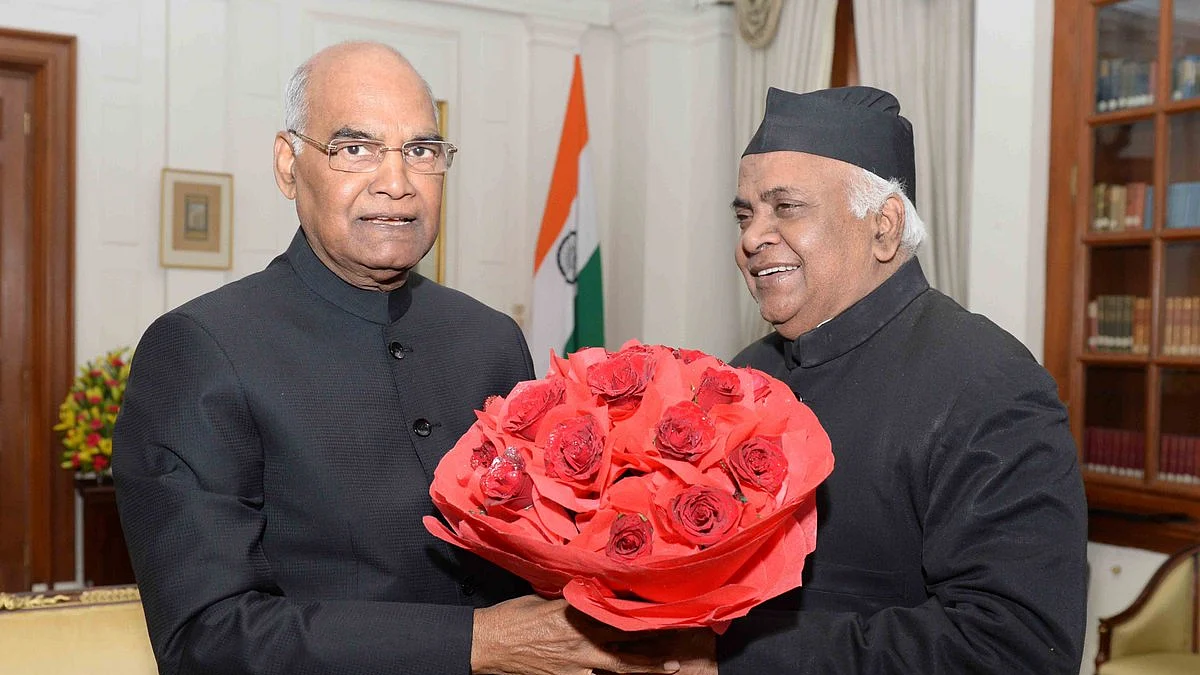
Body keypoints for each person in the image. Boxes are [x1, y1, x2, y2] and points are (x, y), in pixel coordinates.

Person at [112, 41, 680, 675]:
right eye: (355, 148)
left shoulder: (490, 338)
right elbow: (206, 638)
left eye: (421, 151)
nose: (397, 183)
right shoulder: (201, 349)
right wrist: (476, 642)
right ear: (288, 165)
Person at [664, 86, 1088, 674]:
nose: (751, 238)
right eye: (745, 214)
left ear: (884, 227)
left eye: (786, 207)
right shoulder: (741, 377)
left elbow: (1013, 649)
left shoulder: (988, 383)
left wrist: (730, 659)